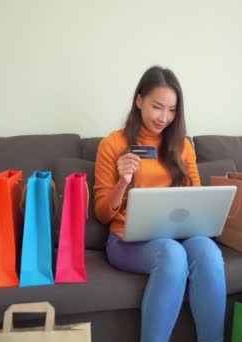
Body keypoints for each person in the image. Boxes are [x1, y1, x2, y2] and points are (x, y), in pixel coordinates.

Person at [94, 66, 226, 342]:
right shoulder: (112, 144)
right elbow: (103, 214)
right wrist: (123, 181)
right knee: (171, 255)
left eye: (172, 110)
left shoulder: (182, 146)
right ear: (139, 100)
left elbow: (196, 197)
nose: (164, 117)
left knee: (209, 252)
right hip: (125, 240)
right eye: (157, 107)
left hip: (178, 235)